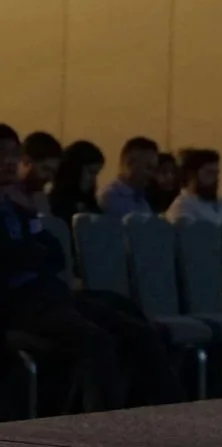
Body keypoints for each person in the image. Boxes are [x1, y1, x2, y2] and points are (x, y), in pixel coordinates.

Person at [0, 124, 179, 414]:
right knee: (98, 343)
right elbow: (17, 258)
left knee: (142, 331)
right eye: (1, 153)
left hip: (49, 295)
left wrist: (29, 228)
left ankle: (162, 418)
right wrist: (31, 251)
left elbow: (54, 253)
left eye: (13, 153)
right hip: (17, 304)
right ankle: (100, 433)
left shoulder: (17, 203)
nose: (9, 161)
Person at [166, 149, 222, 226]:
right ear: (192, 175)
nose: (215, 178)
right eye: (209, 173)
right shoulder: (182, 207)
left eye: (216, 173)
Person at [100, 137, 159, 220]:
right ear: (130, 163)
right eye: (148, 168)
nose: (152, 174)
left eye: (154, 169)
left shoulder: (142, 201)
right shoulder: (110, 199)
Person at [49, 141, 105, 226]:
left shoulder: (90, 203)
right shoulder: (55, 204)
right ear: (75, 170)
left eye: (96, 174)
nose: (93, 179)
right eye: (91, 172)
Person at [17, 132, 61, 217]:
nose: (49, 177)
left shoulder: (40, 199)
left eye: (53, 172)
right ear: (26, 161)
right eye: (46, 169)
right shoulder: (6, 197)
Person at [148, 149, 180, 216]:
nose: (170, 176)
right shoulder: (145, 198)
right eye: (164, 172)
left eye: (173, 172)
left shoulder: (179, 198)